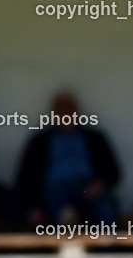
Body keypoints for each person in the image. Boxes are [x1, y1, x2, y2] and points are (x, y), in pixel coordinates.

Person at [16, 91, 122, 226]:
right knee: (61, 211)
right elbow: (24, 180)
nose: (65, 113)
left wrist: (100, 184)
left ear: (77, 112)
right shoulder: (39, 141)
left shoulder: (95, 138)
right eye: (61, 109)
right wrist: (32, 206)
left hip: (87, 189)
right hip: (54, 192)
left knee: (105, 210)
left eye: (69, 108)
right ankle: (68, 245)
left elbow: (115, 172)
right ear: (53, 113)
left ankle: (107, 247)